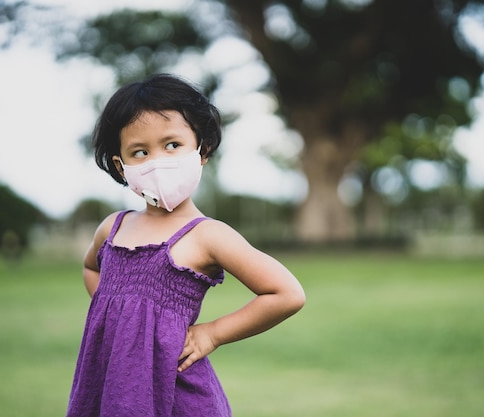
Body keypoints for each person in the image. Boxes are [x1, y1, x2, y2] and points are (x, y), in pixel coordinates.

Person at [65, 73, 306, 417]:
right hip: (112, 390)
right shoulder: (112, 229)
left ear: (201, 149)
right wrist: (119, 318)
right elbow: (92, 267)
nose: (158, 161)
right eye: (140, 152)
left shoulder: (208, 235)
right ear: (121, 166)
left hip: (178, 397)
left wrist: (212, 334)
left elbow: (286, 293)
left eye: (172, 145)